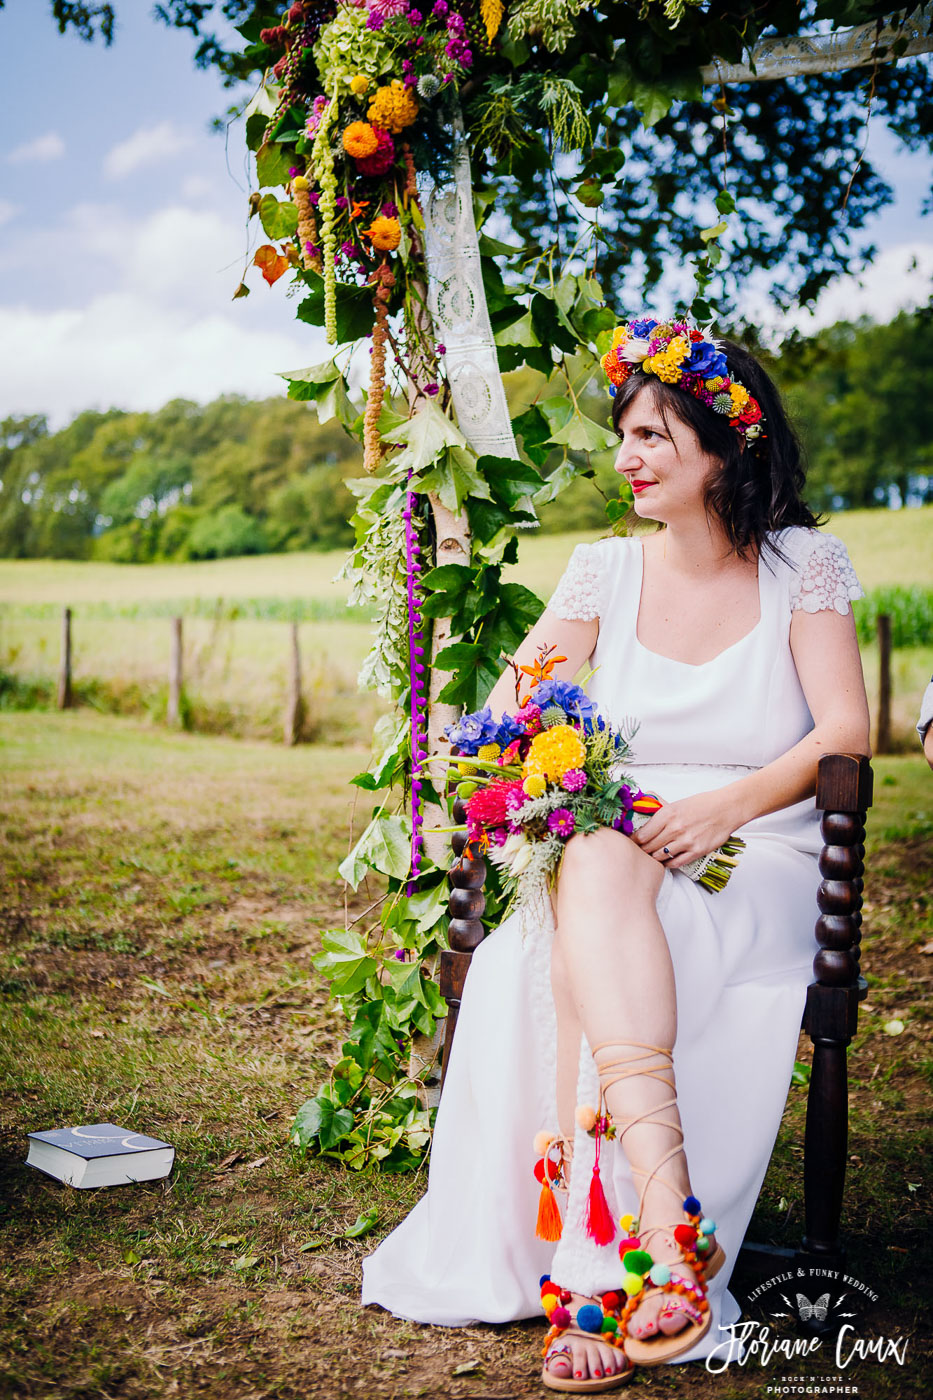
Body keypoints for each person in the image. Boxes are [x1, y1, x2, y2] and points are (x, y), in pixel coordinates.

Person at [362, 318, 872, 1389]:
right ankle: (663, 1223)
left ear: (728, 448)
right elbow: (502, 719)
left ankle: (599, 1274)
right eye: (626, 434)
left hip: (756, 850)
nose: (628, 455)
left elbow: (842, 734)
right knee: (586, 872)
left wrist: (725, 808)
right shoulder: (600, 574)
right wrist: (552, 778)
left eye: (654, 435)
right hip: (617, 835)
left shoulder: (802, 566)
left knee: (594, 913)